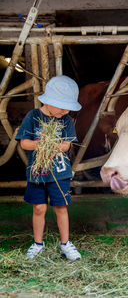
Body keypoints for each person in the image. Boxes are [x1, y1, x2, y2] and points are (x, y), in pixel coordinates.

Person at [16, 75, 82, 261]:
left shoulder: (65, 120)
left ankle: (65, 244)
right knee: (39, 207)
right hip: (37, 172)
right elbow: (25, 144)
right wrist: (43, 145)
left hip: (59, 172)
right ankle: (38, 244)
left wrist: (53, 147)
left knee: (60, 207)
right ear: (50, 101)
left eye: (67, 108)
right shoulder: (33, 117)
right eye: (61, 107)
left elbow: (66, 145)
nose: (64, 111)